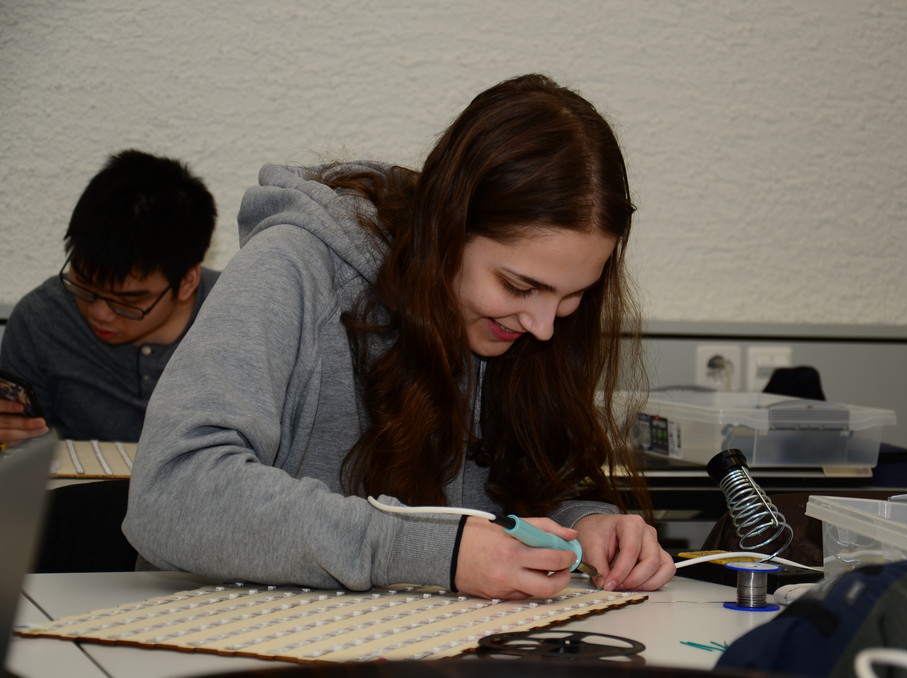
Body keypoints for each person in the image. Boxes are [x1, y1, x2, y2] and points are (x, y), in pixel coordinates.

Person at [124, 74, 676, 600]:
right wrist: (430, 550)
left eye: (572, 295)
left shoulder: (518, 328)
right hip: (224, 633)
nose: (544, 325)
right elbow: (171, 494)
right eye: (518, 286)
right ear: (446, 230)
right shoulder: (292, 268)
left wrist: (583, 524)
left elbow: (516, 498)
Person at [0, 149, 219, 445]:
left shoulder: (240, 319)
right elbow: (24, 450)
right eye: (83, 285)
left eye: (127, 301)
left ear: (187, 282)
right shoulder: (41, 320)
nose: (99, 312)